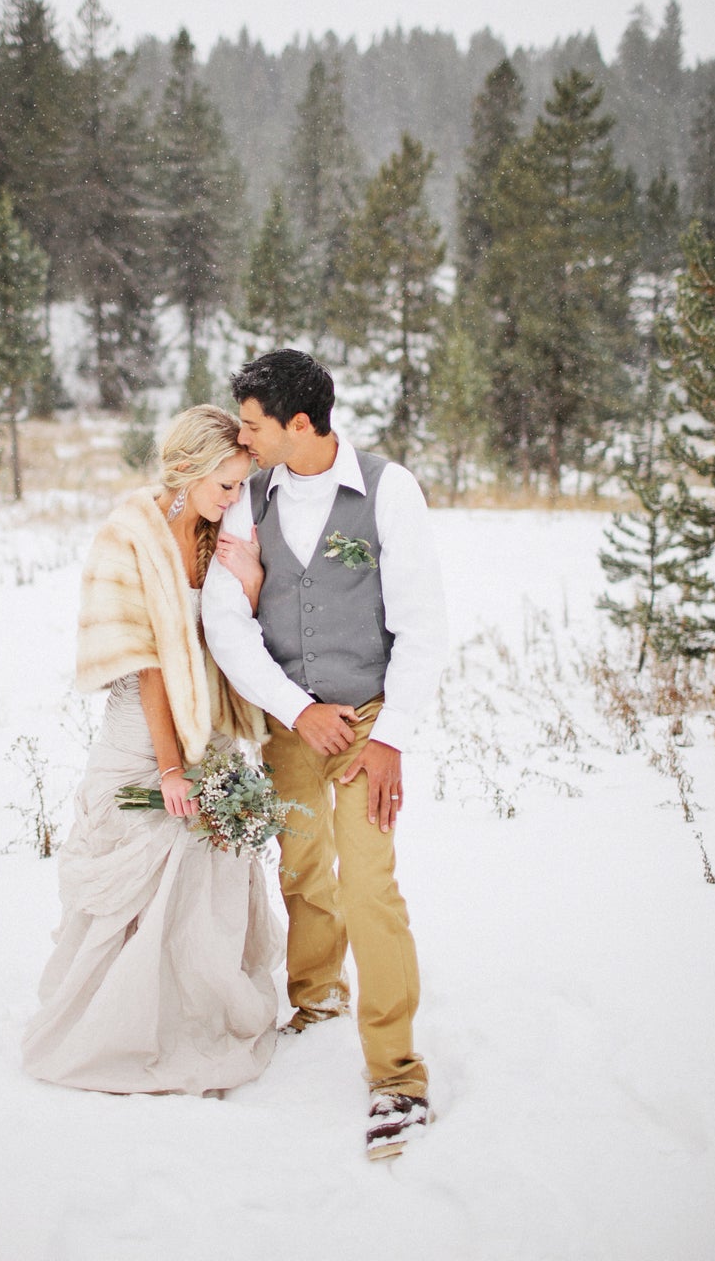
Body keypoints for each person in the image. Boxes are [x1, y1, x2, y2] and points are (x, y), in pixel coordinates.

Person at [201, 351, 447, 1158]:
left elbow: (422, 624)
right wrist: (296, 710)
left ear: (298, 424)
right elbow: (225, 619)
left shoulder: (388, 490)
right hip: (292, 726)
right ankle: (315, 1003)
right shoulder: (253, 492)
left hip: (369, 722)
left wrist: (392, 738)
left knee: (369, 882)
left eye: (253, 424)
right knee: (301, 866)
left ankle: (397, 1074)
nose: (243, 436)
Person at [23, 405, 282, 1095]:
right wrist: (171, 767)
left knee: (208, 871)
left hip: (213, 717)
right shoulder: (130, 537)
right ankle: (113, 1028)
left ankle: (198, 1012)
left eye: (241, 484)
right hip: (145, 727)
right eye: (225, 484)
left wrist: (251, 583)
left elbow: (229, 637)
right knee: (138, 858)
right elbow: (149, 668)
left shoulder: (221, 535)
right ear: (186, 469)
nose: (235, 498)